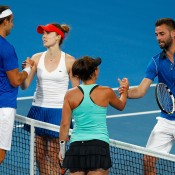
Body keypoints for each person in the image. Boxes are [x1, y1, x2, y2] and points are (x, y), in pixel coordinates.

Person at [20, 23, 79, 174]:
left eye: (48, 33)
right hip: (38, 110)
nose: (44, 36)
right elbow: (25, 85)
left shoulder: (70, 61)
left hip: (58, 112)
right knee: (39, 156)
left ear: (58, 36)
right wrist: (25, 70)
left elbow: (76, 92)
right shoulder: (36, 58)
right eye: (43, 33)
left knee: (54, 156)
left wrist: (75, 118)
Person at [58, 56, 129, 175]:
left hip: (77, 148)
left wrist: (62, 150)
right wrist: (124, 91)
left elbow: (64, 124)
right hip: (98, 147)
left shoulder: (70, 95)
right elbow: (121, 105)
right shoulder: (106, 91)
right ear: (95, 72)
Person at [124, 18, 175, 175]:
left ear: (173, 33)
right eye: (156, 34)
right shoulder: (156, 61)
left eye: (162, 34)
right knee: (148, 160)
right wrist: (125, 92)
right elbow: (140, 91)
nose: (158, 38)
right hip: (167, 119)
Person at [0, 5, 33, 164]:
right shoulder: (6, 48)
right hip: (3, 107)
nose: (12, 25)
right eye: (11, 21)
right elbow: (15, 80)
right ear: (5, 21)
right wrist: (27, 69)